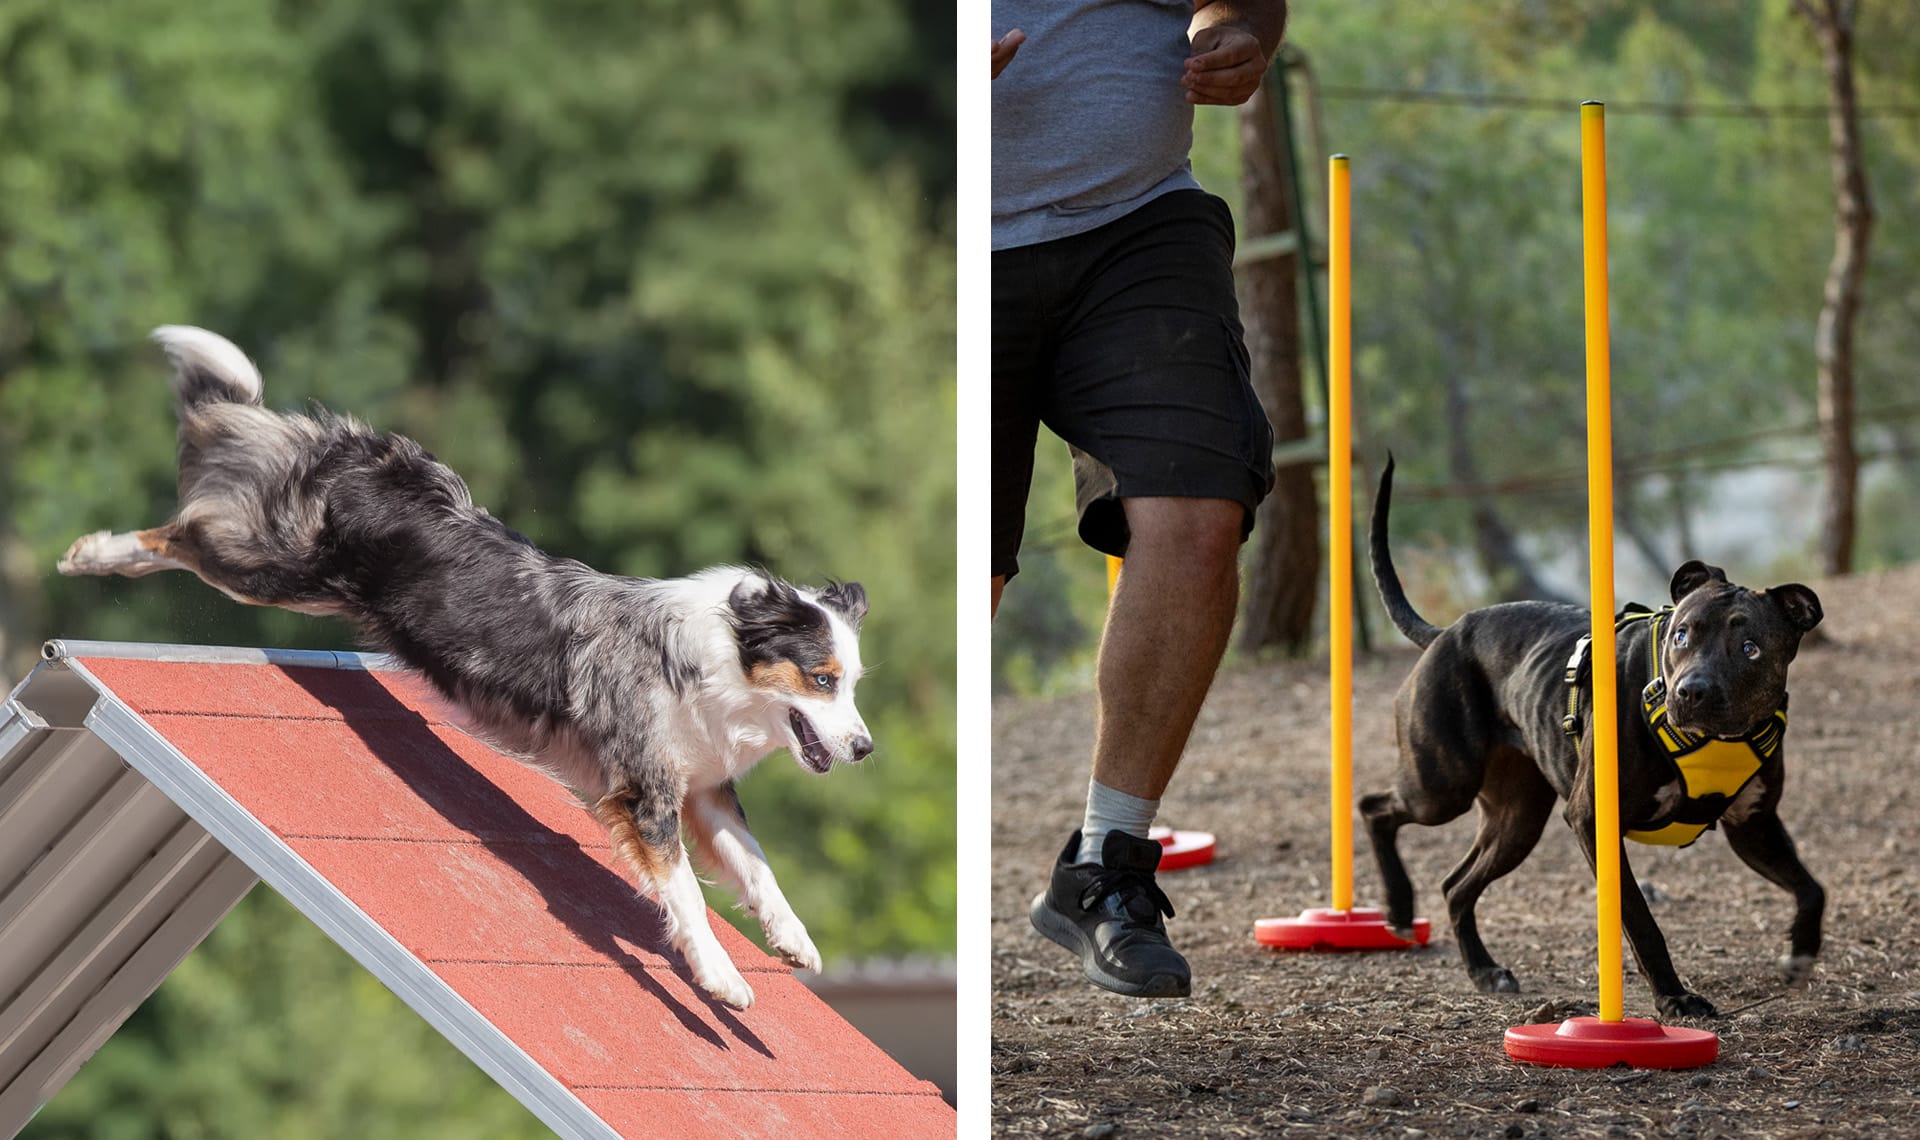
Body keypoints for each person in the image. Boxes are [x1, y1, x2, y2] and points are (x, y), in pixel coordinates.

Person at [991, 0, 1288, 998]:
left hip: (1139, 220)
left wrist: (1242, 34)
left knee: (1202, 511)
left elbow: (1242, 1)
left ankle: (1106, 865)